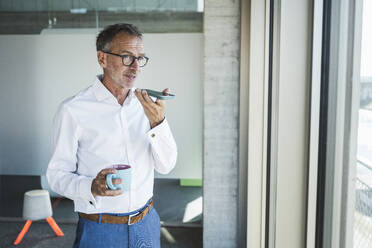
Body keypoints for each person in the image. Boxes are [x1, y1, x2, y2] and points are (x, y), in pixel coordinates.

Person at [46, 23, 177, 248]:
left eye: (141, 58)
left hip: (145, 223)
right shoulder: (73, 110)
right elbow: (56, 175)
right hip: (99, 229)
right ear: (102, 58)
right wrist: (91, 187)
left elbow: (166, 166)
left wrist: (158, 123)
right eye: (127, 57)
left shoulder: (147, 107)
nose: (136, 67)